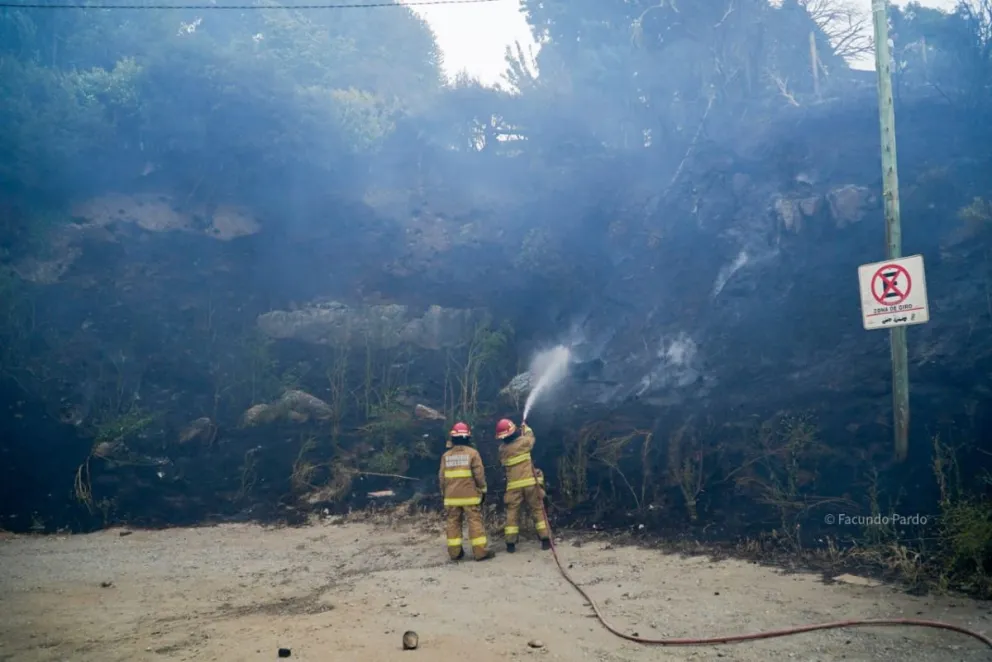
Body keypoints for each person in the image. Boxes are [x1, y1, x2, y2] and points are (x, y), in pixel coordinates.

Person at [438, 421, 495, 561]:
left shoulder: (446, 456)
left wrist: (444, 493)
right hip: (470, 496)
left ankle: (455, 553)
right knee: (474, 521)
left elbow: (441, 477)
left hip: (451, 497)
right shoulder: (473, 453)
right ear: (467, 437)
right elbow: (479, 475)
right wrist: (482, 489)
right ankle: (480, 552)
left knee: (453, 522)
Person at [495, 418, 551, 553]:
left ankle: (510, 544)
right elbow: (531, 438)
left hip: (513, 487)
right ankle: (545, 541)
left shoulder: (502, 449)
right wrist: (526, 428)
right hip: (531, 484)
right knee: (537, 510)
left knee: (512, 513)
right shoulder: (523, 442)